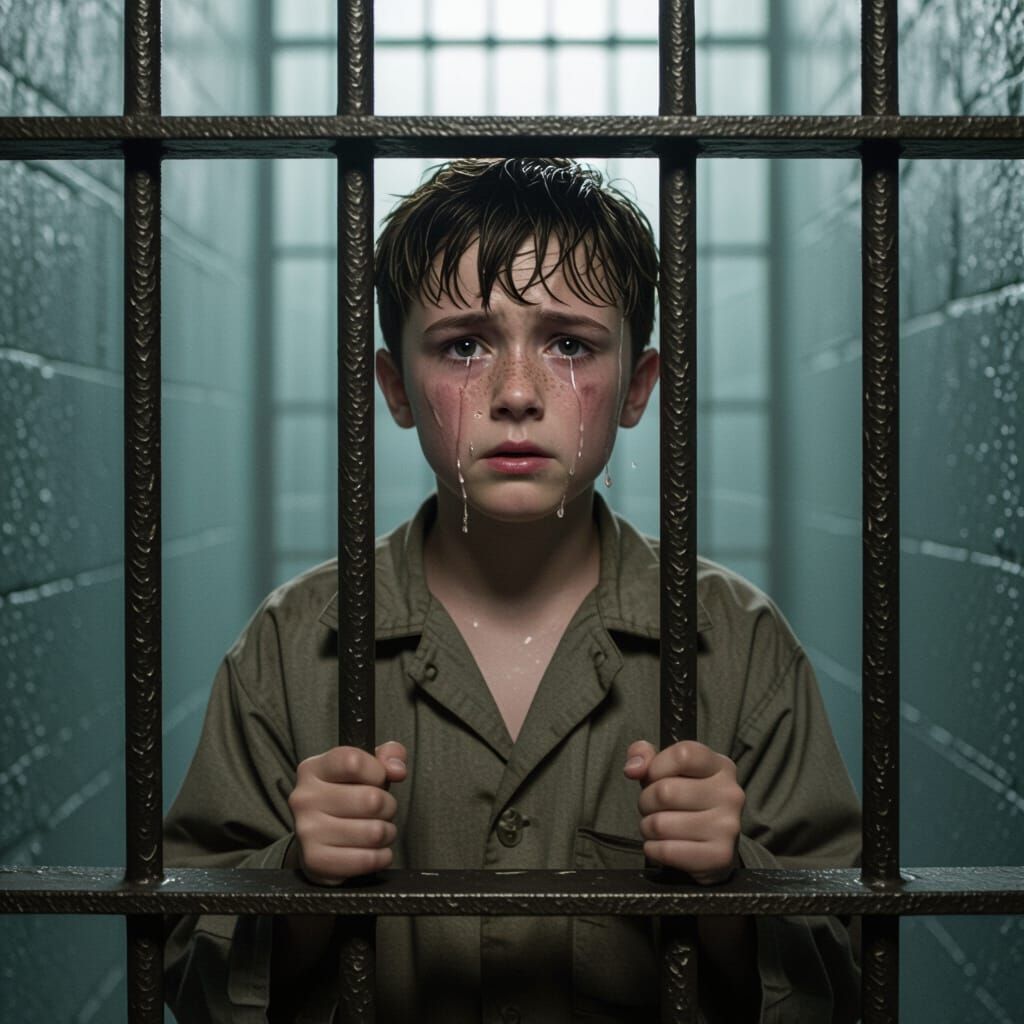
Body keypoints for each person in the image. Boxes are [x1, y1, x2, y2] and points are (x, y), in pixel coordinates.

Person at [164, 157, 861, 1023]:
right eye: (464, 345)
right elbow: (183, 974)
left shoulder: (738, 645)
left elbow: (846, 980)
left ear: (638, 388)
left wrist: (732, 889)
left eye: (570, 344)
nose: (519, 394)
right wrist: (296, 885)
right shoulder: (294, 646)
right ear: (396, 389)